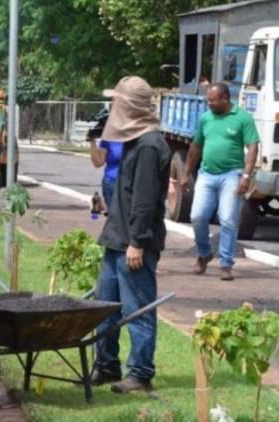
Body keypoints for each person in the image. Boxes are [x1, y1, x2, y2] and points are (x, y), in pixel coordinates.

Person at [91, 76, 171, 394]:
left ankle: (139, 374)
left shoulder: (151, 146)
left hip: (134, 243)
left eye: (117, 103)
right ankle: (107, 365)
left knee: (136, 309)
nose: (113, 108)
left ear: (130, 107)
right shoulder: (134, 141)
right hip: (115, 238)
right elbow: (124, 193)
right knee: (104, 307)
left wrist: (137, 242)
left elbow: (144, 199)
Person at [180, 82, 260, 281]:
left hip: (232, 175)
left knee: (228, 219)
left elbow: (252, 148)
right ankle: (205, 253)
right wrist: (185, 173)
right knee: (198, 216)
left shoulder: (242, 118)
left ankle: (225, 263)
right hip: (206, 175)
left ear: (225, 98)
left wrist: (246, 176)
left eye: (212, 100)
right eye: (208, 99)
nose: (209, 104)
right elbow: (195, 147)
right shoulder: (206, 119)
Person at [87, 136, 123, 212]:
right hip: (112, 182)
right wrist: (92, 142)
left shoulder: (138, 136)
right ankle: (102, 205)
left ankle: (100, 204)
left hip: (134, 182)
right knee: (116, 216)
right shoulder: (109, 138)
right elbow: (98, 163)